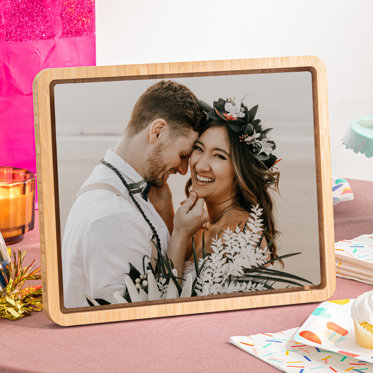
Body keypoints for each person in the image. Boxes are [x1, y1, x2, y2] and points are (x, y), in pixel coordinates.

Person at [62, 80, 208, 308]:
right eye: (182, 155)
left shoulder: (115, 184)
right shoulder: (112, 217)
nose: (182, 169)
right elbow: (135, 320)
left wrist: (167, 213)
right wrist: (180, 234)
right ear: (157, 131)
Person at [183, 97, 280, 264]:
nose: (200, 166)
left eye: (219, 156)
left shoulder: (243, 236)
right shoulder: (199, 227)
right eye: (199, 149)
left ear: (240, 170)